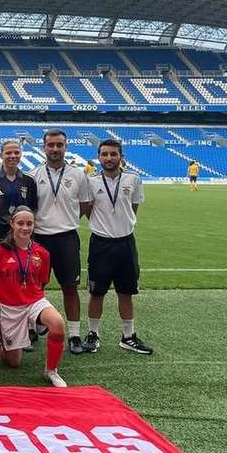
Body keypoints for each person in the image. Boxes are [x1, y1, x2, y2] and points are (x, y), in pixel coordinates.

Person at [84, 139, 152, 355]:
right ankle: (93, 334)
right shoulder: (91, 181)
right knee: (96, 293)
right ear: (99, 157)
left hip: (125, 244)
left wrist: (122, 226)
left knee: (126, 292)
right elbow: (87, 210)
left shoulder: (133, 179)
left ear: (121, 156)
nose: (109, 158)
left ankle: (128, 336)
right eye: (104, 154)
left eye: (113, 154)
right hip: (100, 244)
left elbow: (133, 207)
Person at [0, 206, 67, 387]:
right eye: (20, 223)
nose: (25, 228)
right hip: (9, 306)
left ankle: (51, 371)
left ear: (34, 225)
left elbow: (43, 281)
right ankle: (5, 341)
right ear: (12, 224)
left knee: (57, 324)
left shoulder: (42, 253)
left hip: (34, 301)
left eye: (29, 224)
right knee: (13, 362)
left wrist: (31, 295)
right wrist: (3, 298)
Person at [28, 129, 92, 354]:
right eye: (50, 145)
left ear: (66, 147)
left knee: (70, 287)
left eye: (59, 145)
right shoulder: (34, 175)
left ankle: (74, 335)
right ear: (43, 147)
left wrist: (68, 220)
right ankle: (32, 328)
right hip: (40, 238)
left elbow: (85, 204)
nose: (55, 149)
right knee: (35, 287)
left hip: (67, 238)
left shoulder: (79, 175)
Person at [0, 139, 38, 247]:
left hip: (22, 232)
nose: (13, 156)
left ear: (21, 154)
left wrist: (25, 225)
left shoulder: (29, 180)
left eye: (16, 152)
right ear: (1, 155)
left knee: (22, 263)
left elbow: (33, 208)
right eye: (8, 153)